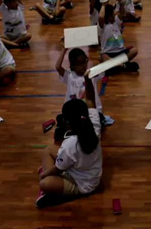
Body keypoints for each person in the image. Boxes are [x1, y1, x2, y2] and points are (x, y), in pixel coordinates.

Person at [37, 75, 102, 208]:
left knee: (45, 183)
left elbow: (57, 169)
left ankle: (60, 195)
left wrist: (44, 175)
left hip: (82, 185)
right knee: (49, 151)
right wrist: (88, 80)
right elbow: (90, 99)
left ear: (67, 123)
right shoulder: (94, 124)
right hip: (91, 176)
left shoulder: (70, 144)